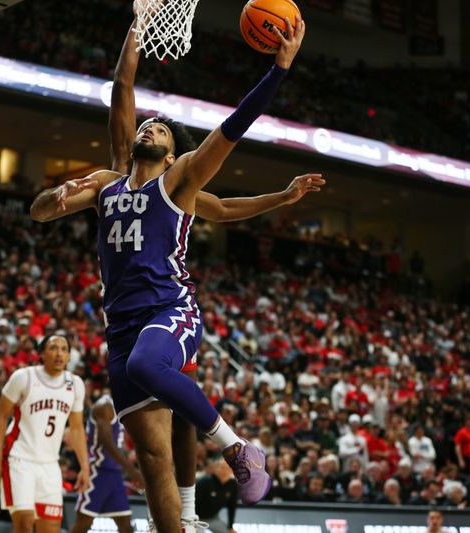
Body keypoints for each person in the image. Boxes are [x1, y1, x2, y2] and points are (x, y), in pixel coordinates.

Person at [29, 11, 305, 533]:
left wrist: (278, 70)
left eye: (160, 128)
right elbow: (121, 89)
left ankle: (238, 449)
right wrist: (138, 22)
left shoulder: (180, 182)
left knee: (148, 370)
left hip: (170, 311)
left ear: (175, 154)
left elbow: (233, 129)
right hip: (121, 329)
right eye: (146, 125)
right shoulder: (107, 180)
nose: (149, 126)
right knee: (153, 461)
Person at [0, 334, 89, 533]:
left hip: (50, 465)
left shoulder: (75, 384)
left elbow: (77, 428)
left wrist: (85, 467)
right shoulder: (23, 377)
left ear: (70, 356)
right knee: (25, 524)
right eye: (53, 348)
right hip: (19, 459)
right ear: (42, 354)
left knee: (51, 528)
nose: (59, 353)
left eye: (64, 349)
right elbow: (1, 417)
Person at [71, 395, 143, 533]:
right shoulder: (104, 406)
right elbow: (107, 441)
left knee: (126, 526)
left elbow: (118, 443)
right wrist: (132, 471)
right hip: (97, 472)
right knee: (83, 525)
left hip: (115, 475)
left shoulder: (121, 405)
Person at [194, 455, 237, 533]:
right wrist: (192, 523)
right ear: (216, 469)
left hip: (213, 518)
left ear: (232, 471)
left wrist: (230, 527)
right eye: (222, 468)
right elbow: (193, 502)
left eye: (228, 469)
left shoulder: (233, 485)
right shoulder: (205, 481)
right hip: (197, 519)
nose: (224, 471)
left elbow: (232, 507)